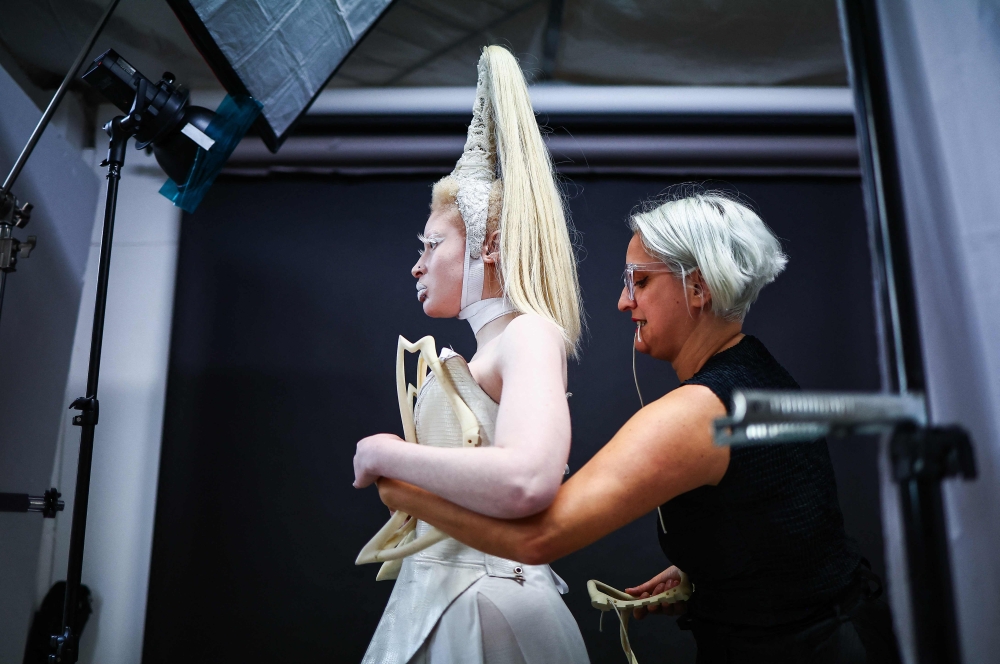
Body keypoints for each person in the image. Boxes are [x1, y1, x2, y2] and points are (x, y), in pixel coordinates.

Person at [376, 188, 902, 664]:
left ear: (697, 288)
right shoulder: (758, 371)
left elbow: (540, 538)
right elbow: (781, 520)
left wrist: (403, 487)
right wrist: (711, 572)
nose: (625, 301)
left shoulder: (697, 412)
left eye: (640, 281)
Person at [352, 45, 589, 664]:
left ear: (488, 247)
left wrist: (388, 454)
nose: (417, 263)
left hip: (488, 609)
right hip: (456, 604)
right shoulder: (504, 341)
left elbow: (526, 479)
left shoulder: (528, 334)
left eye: (431, 243)